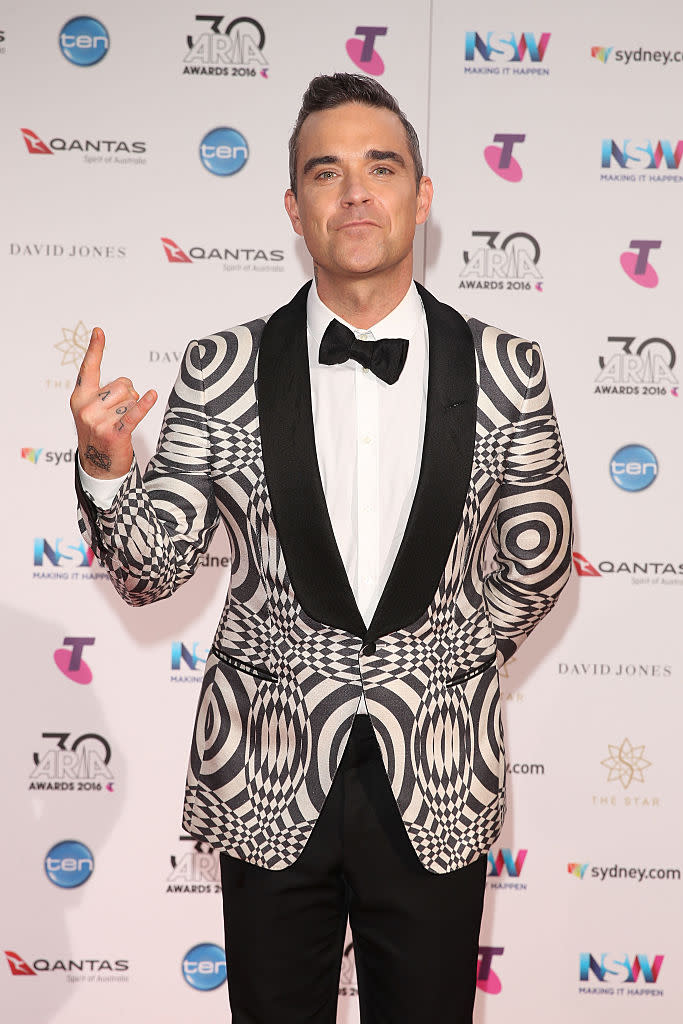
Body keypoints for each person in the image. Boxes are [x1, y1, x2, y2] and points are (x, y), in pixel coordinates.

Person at [71, 73, 572, 1023]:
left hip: (439, 768)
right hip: (264, 771)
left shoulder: (507, 367)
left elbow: (537, 562)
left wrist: (450, 659)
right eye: (326, 172)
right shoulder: (221, 369)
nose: (355, 193)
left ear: (421, 197)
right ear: (293, 207)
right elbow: (150, 572)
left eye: (381, 168)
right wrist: (106, 466)